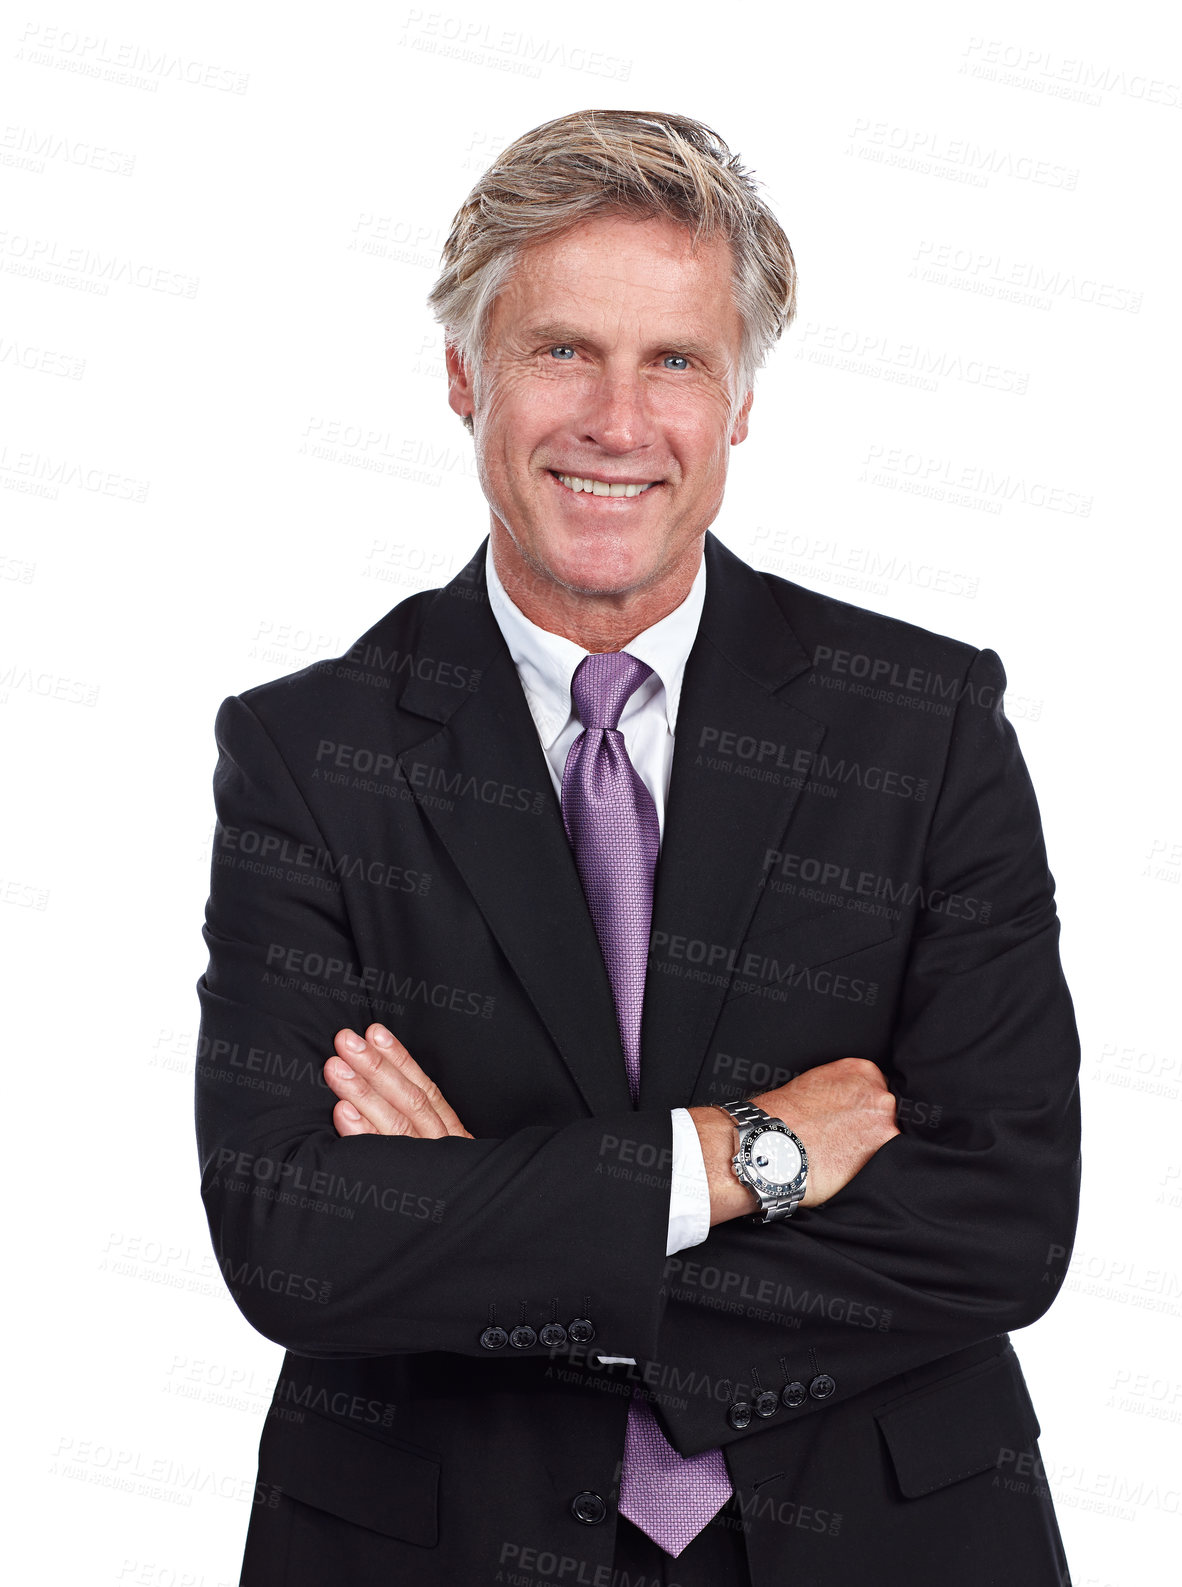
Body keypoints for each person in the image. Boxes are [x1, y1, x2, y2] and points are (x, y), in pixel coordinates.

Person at [194, 108, 1080, 1586]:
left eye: (673, 360)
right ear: (466, 373)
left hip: (878, 1536)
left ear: (737, 401)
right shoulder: (307, 752)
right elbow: (295, 1241)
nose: (617, 421)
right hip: (434, 1540)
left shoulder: (918, 722)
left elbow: (1002, 1215)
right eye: (561, 352)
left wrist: (492, 1222)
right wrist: (745, 1156)